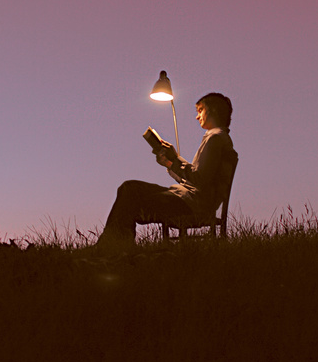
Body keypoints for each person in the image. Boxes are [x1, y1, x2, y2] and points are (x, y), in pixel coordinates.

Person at [97, 92, 237, 247]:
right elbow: (197, 178)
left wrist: (174, 160)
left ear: (214, 110)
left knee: (130, 192)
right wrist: (170, 162)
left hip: (190, 205)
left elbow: (199, 179)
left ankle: (114, 245)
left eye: (200, 110)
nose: (197, 116)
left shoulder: (215, 139)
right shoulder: (217, 138)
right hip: (188, 199)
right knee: (129, 188)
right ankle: (116, 244)